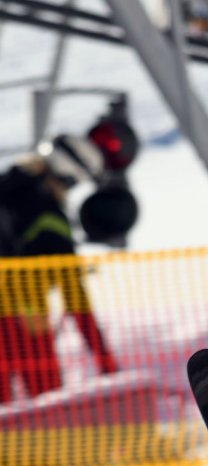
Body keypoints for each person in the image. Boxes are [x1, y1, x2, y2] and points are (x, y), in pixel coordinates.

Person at [0, 134, 118, 403]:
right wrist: (105, 360)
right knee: (48, 406)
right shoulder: (50, 220)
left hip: (15, 316)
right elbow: (75, 297)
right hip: (23, 322)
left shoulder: (7, 188)